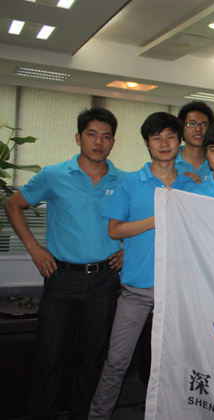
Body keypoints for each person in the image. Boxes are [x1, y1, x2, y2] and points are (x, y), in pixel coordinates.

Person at [4, 107, 124, 420]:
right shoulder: (54, 175)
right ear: (78, 138)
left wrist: (127, 249)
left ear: (113, 142)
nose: (99, 142)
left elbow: (143, 220)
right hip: (62, 278)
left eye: (106, 136)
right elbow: (13, 205)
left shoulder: (123, 180)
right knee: (50, 359)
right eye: (92, 134)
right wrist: (35, 249)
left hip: (105, 280)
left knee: (93, 360)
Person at [89, 112, 195, 419]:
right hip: (137, 289)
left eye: (170, 137)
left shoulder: (192, 183)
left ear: (180, 141)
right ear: (147, 143)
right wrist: (155, 219)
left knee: (178, 364)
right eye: (156, 138)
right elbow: (115, 230)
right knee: (116, 362)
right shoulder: (130, 182)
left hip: (179, 291)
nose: (164, 143)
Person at [175, 101, 214, 181]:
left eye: (204, 125)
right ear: (182, 127)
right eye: (192, 124)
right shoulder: (170, 160)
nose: (198, 129)